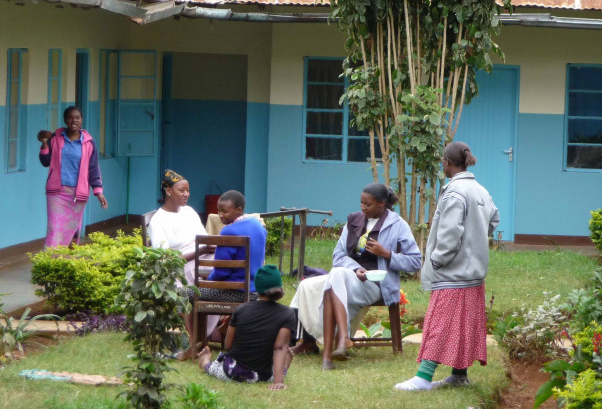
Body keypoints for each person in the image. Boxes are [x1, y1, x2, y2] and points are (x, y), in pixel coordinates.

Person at [395, 141, 499, 391]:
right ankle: (459, 374)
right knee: (463, 325)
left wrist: (436, 259)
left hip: (452, 272)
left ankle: (423, 377)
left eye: (443, 160)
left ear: (448, 163)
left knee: (439, 324)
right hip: (473, 274)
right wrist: (475, 240)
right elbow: (494, 219)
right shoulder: (480, 190)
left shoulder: (454, 192)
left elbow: (450, 234)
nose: (442, 164)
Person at [291, 183, 422, 370]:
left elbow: (415, 262)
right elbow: (338, 255)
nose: (362, 208)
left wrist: (386, 254)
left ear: (382, 204)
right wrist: (355, 269)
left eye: (367, 204)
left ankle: (334, 348)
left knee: (334, 279)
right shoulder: (354, 221)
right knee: (309, 284)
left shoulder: (398, 225)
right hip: (349, 277)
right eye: (361, 203)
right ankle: (318, 343)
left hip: (376, 285)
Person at [180, 190, 267, 358]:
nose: (220, 215)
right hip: (255, 291)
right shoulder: (258, 226)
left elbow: (220, 273)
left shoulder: (229, 232)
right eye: (218, 210)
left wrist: (206, 280)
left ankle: (194, 344)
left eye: (224, 211)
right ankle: (203, 339)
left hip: (234, 293)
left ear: (238, 209)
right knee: (198, 288)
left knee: (186, 292)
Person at [197, 265, 296, 391]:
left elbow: (228, 345)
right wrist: (279, 382)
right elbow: (280, 347)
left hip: (233, 372)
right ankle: (282, 368)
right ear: (279, 288)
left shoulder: (241, 309)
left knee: (216, 368)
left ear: (258, 287)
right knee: (273, 370)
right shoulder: (288, 313)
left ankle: (205, 362)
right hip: (262, 374)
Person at [38, 106, 107, 249]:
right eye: (70, 117)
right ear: (65, 120)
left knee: (72, 231)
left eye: (77, 117)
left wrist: (98, 192)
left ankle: (67, 261)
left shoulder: (88, 143)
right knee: (54, 228)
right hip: (57, 193)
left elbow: (93, 168)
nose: (73, 120)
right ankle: (51, 261)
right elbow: (45, 162)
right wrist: (45, 144)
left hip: (78, 194)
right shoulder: (55, 139)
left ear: (82, 120)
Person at [148, 169, 214, 285]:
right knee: (222, 271)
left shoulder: (189, 211)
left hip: (203, 259)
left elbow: (204, 238)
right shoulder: (158, 221)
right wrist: (199, 251)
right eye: (182, 190)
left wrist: (210, 246)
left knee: (231, 263)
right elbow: (166, 260)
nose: (186, 194)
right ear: (168, 191)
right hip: (181, 268)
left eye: (188, 190)